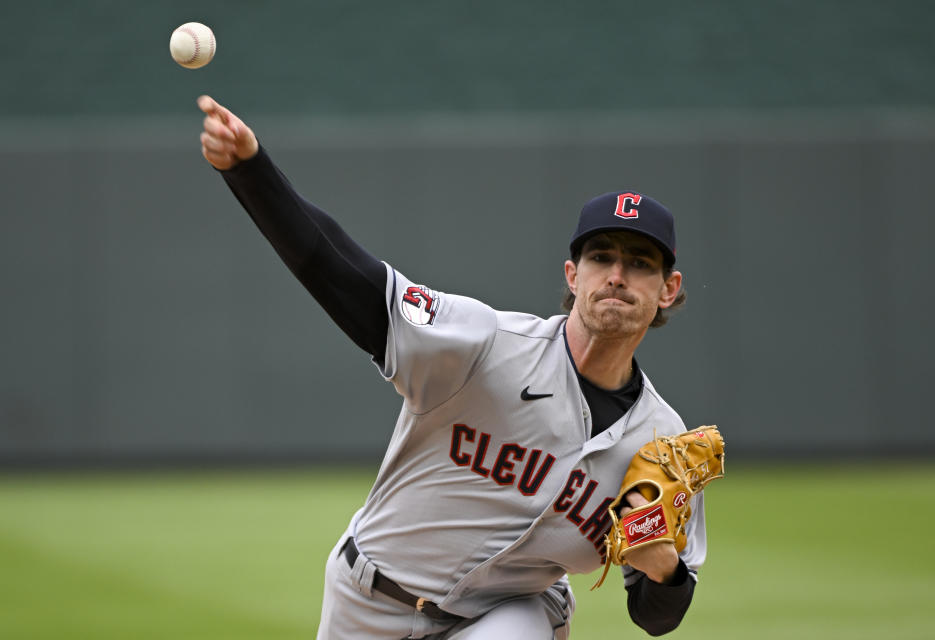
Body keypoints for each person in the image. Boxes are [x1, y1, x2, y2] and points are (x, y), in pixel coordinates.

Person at [197, 95, 704, 639]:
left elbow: (657, 614)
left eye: (640, 263)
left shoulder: (662, 444)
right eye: (601, 257)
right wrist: (251, 172)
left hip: (508, 614)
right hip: (367, 600)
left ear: (668, 290)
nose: (617, 275)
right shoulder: (486, 344)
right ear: (573, 275)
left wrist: (664, 570)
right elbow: (344, 275)